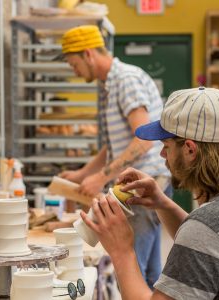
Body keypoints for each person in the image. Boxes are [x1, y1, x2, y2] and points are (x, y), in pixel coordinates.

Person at [81, 87, 219, 299]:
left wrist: (122, 252)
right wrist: (163, 204)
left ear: (190, 149)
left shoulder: (205, 230)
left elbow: (206, 238)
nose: (162, 154)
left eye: (166, 145)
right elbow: (214, 251)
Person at [58, 25, 171, 288]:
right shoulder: (109, 85)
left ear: (88, 54)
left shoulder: (125, 80)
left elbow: (143, 140)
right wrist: (82, 174)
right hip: (137, 181)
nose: (73, 71)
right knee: (152, 275)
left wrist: (101, 178)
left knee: (131, 273)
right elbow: (114, 145)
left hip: (142, 184)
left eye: (74, 64)